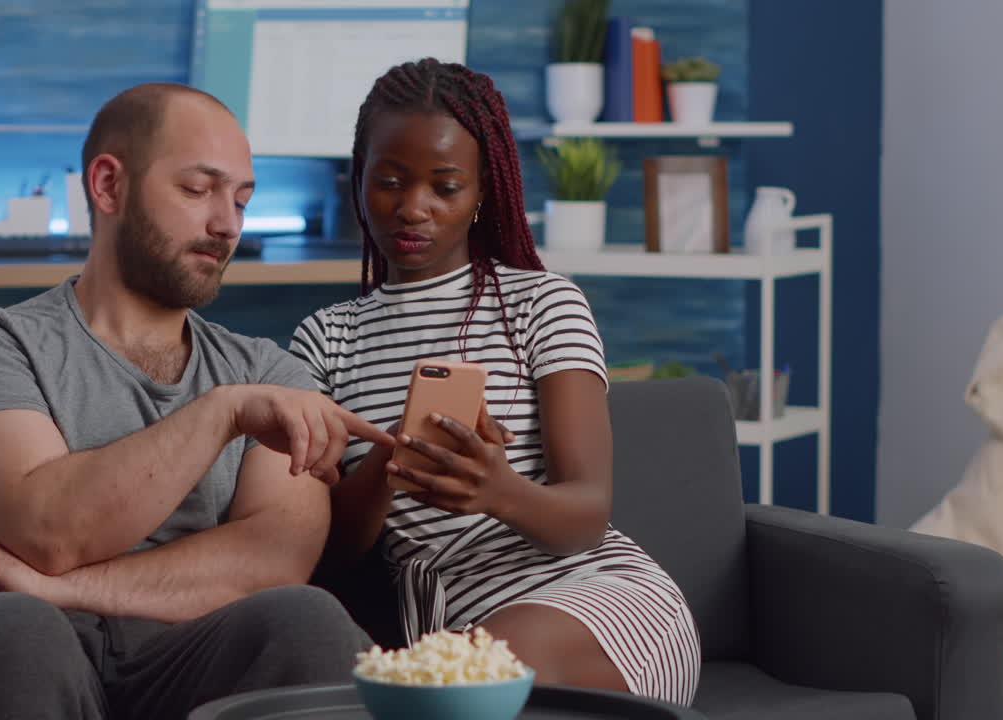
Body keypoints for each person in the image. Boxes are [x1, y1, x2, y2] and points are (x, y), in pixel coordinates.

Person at [0, 82, 393, 720]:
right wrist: (219, 413)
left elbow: (275, 558)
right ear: (107, 186)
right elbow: (49, 530)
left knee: (305, 615)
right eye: (197, 189)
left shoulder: (269, 370)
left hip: (181, 661)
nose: (226, 224)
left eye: (241, 199)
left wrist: (61, 587)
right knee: (18, 627)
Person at [290, 59, 702, 703]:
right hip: (447, 630)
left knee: (465, 678)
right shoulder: (326, 339)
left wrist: (497, 489)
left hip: (597, 600)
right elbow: (330, 552)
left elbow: (586, 517)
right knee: (451, 679)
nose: (412, 208)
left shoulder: (544, 304)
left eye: (445, 186)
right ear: (359, 181)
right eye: (389, 181)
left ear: (484, 191)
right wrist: (390, 459)